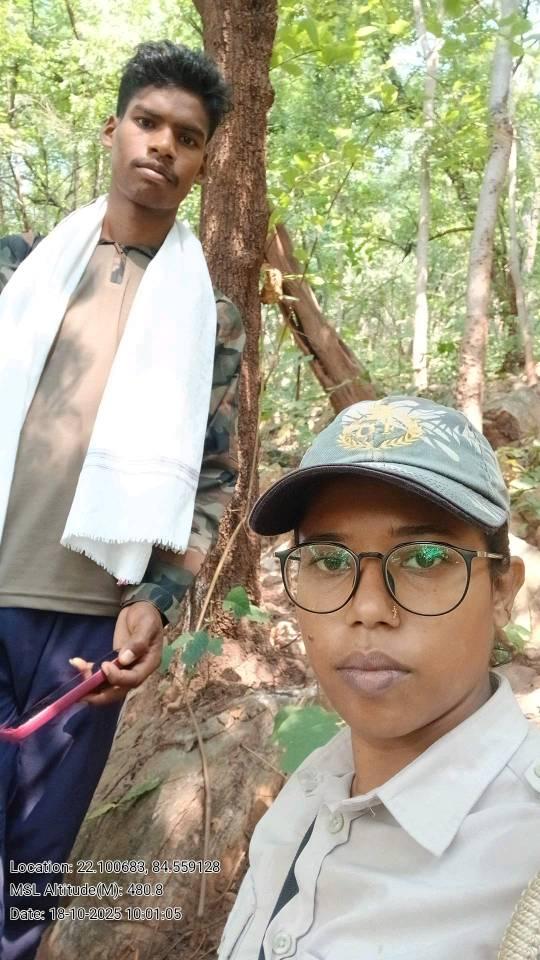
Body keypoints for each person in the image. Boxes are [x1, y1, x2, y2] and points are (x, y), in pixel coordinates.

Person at [0, 40, 244, 960]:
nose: (163, 145)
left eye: (188, 135)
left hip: (87, 632)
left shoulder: (208, 315)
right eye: (148, 122)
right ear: (113, 130)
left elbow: (212, 476)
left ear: (202, 161)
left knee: (31, 870)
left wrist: (157, 602)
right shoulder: (21, 267)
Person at [218, 395, 540, 960]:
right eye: (329, 560)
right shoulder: (314, 784)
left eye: (423, 558)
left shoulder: (523, 858)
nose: (367, 608)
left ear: (501, 591)